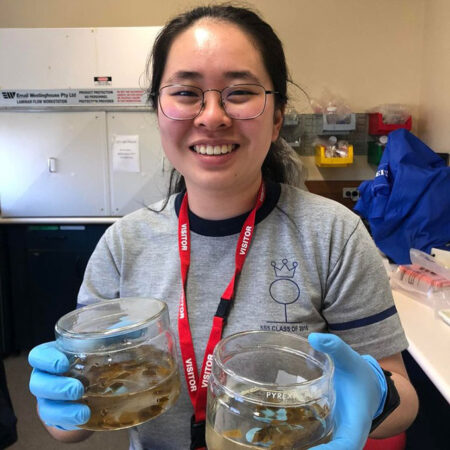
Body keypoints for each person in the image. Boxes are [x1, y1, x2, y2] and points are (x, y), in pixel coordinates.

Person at [27, 4, 418, 450]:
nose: (212, 116)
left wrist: (378, 393)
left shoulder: (333, 235)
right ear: (158, 112)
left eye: (239, 92)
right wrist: (61, 402)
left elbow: (404, 398)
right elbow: (73, 426)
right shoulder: (124, 243)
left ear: (276, 118)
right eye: (186, 92)